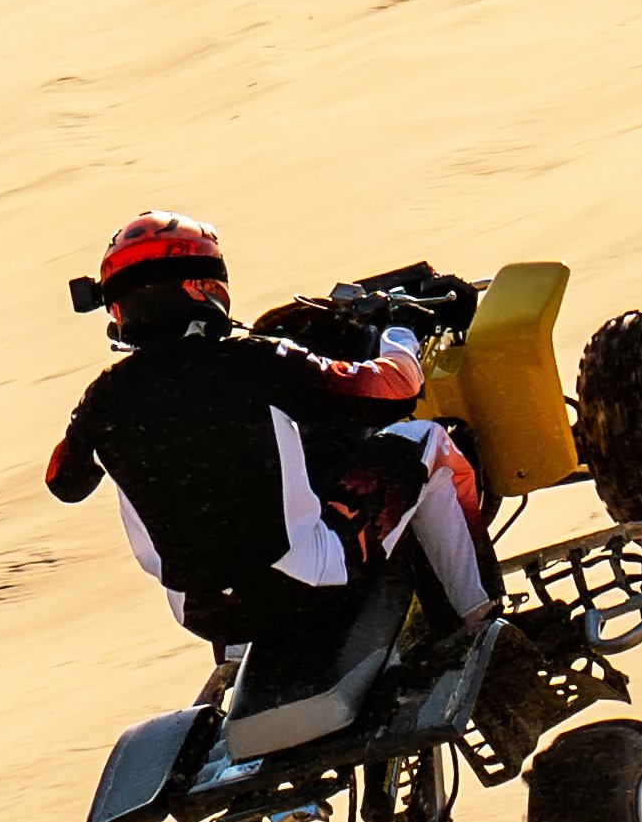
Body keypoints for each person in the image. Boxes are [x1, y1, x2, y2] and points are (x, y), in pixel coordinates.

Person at [41, 210, 497, 645]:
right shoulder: (255, 361)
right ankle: (479, 621)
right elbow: (395, 390)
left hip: (204, 615)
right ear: (203, 287)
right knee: (427, 441)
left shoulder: (102, 398)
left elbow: (64, 483)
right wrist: (402, 329)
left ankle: (236, 666)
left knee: (216, 527)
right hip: (306, 582)